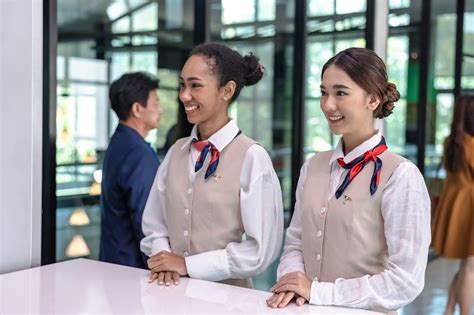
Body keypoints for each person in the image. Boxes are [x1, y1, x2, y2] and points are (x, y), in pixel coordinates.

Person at [267, 47, 431, 312]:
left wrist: (319, 291)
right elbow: (296, 242)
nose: (327, 105)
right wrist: (293, 282)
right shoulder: (312, 167)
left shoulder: (401, 175)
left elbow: (405, 281)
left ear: (373, 100)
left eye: (340, 93)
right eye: (323, 93)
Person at [140, 42, 284, 288]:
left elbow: (259, 251)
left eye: (195, 85)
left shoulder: (252, 156)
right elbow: (155, 225)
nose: (184, 95)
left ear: (227, 90)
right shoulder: (176, 152)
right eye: (182, 85)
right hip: (170, 295)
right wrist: (164, 258)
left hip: (228, 302)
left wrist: (187, 265)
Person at [99, 72, 163, 269]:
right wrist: (159, 267)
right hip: (132, 268)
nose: (161, 110)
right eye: (155, 104)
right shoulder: (138, 153)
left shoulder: (119, 142)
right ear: (137, 109)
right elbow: (146, 221)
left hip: (114, 261)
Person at [432, 94, 474, 315]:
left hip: (458, 204)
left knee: (466, 266)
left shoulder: (453, 141)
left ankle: (449, 310)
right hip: (470, 207)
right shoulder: (472, 144)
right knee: (470, 267)